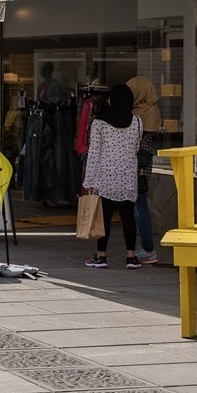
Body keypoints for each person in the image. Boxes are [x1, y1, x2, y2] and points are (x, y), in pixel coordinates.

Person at [82, 84, 142, 270]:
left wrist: (88, 180)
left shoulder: (99, 122)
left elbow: (94, 152)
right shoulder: (137, 122)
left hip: (105, 174)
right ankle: (131, 257)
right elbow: (137, 147)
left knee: (104, 217)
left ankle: (101, 256)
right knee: (128, 215)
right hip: (128, 173)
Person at [126, 76, 162, 264]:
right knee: (138, 205)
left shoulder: (142, 113)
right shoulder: (149, 108)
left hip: (139, 165)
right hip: (142, 163)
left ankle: (148, 249)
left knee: (139, 205)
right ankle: (146, 247)